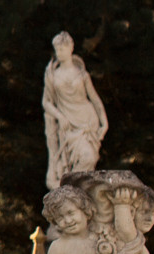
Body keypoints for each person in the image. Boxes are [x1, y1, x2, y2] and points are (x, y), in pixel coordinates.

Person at [42, 32, 108, 189]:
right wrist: (60, 116)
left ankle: (72, 192)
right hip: (68, 124)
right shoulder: (52, 75)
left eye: (62, 49)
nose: (59, 53)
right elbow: (46, 102)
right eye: (57, 49)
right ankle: (72, 193)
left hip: (86, 121)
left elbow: (95, 100)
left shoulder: (81, 74)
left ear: (71, 48)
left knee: (89, 158)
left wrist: (104, 123)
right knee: (81, 160)